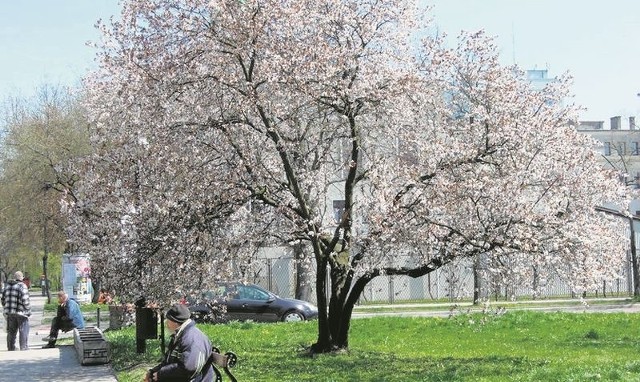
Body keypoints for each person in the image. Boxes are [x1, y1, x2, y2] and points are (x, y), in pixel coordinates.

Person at [146, 304, 214, 382]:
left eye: (167, 320)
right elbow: (168, 361)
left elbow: (189, 368)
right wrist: (153, 372)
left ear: (175, 321)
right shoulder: (180, 335)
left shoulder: (192, 339)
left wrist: (161, 374)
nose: (166, 324)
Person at [1, 271, 31, 351]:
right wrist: (28, 310)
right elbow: (25, 300)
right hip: (20, 312)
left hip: (10, 313)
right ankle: (23, 347)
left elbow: (3, 300)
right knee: (23, 329)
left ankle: (11, 347)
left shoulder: (7, 286)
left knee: (11, 331)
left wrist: (7, 307)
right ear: (22, 277)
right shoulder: (22, 286)